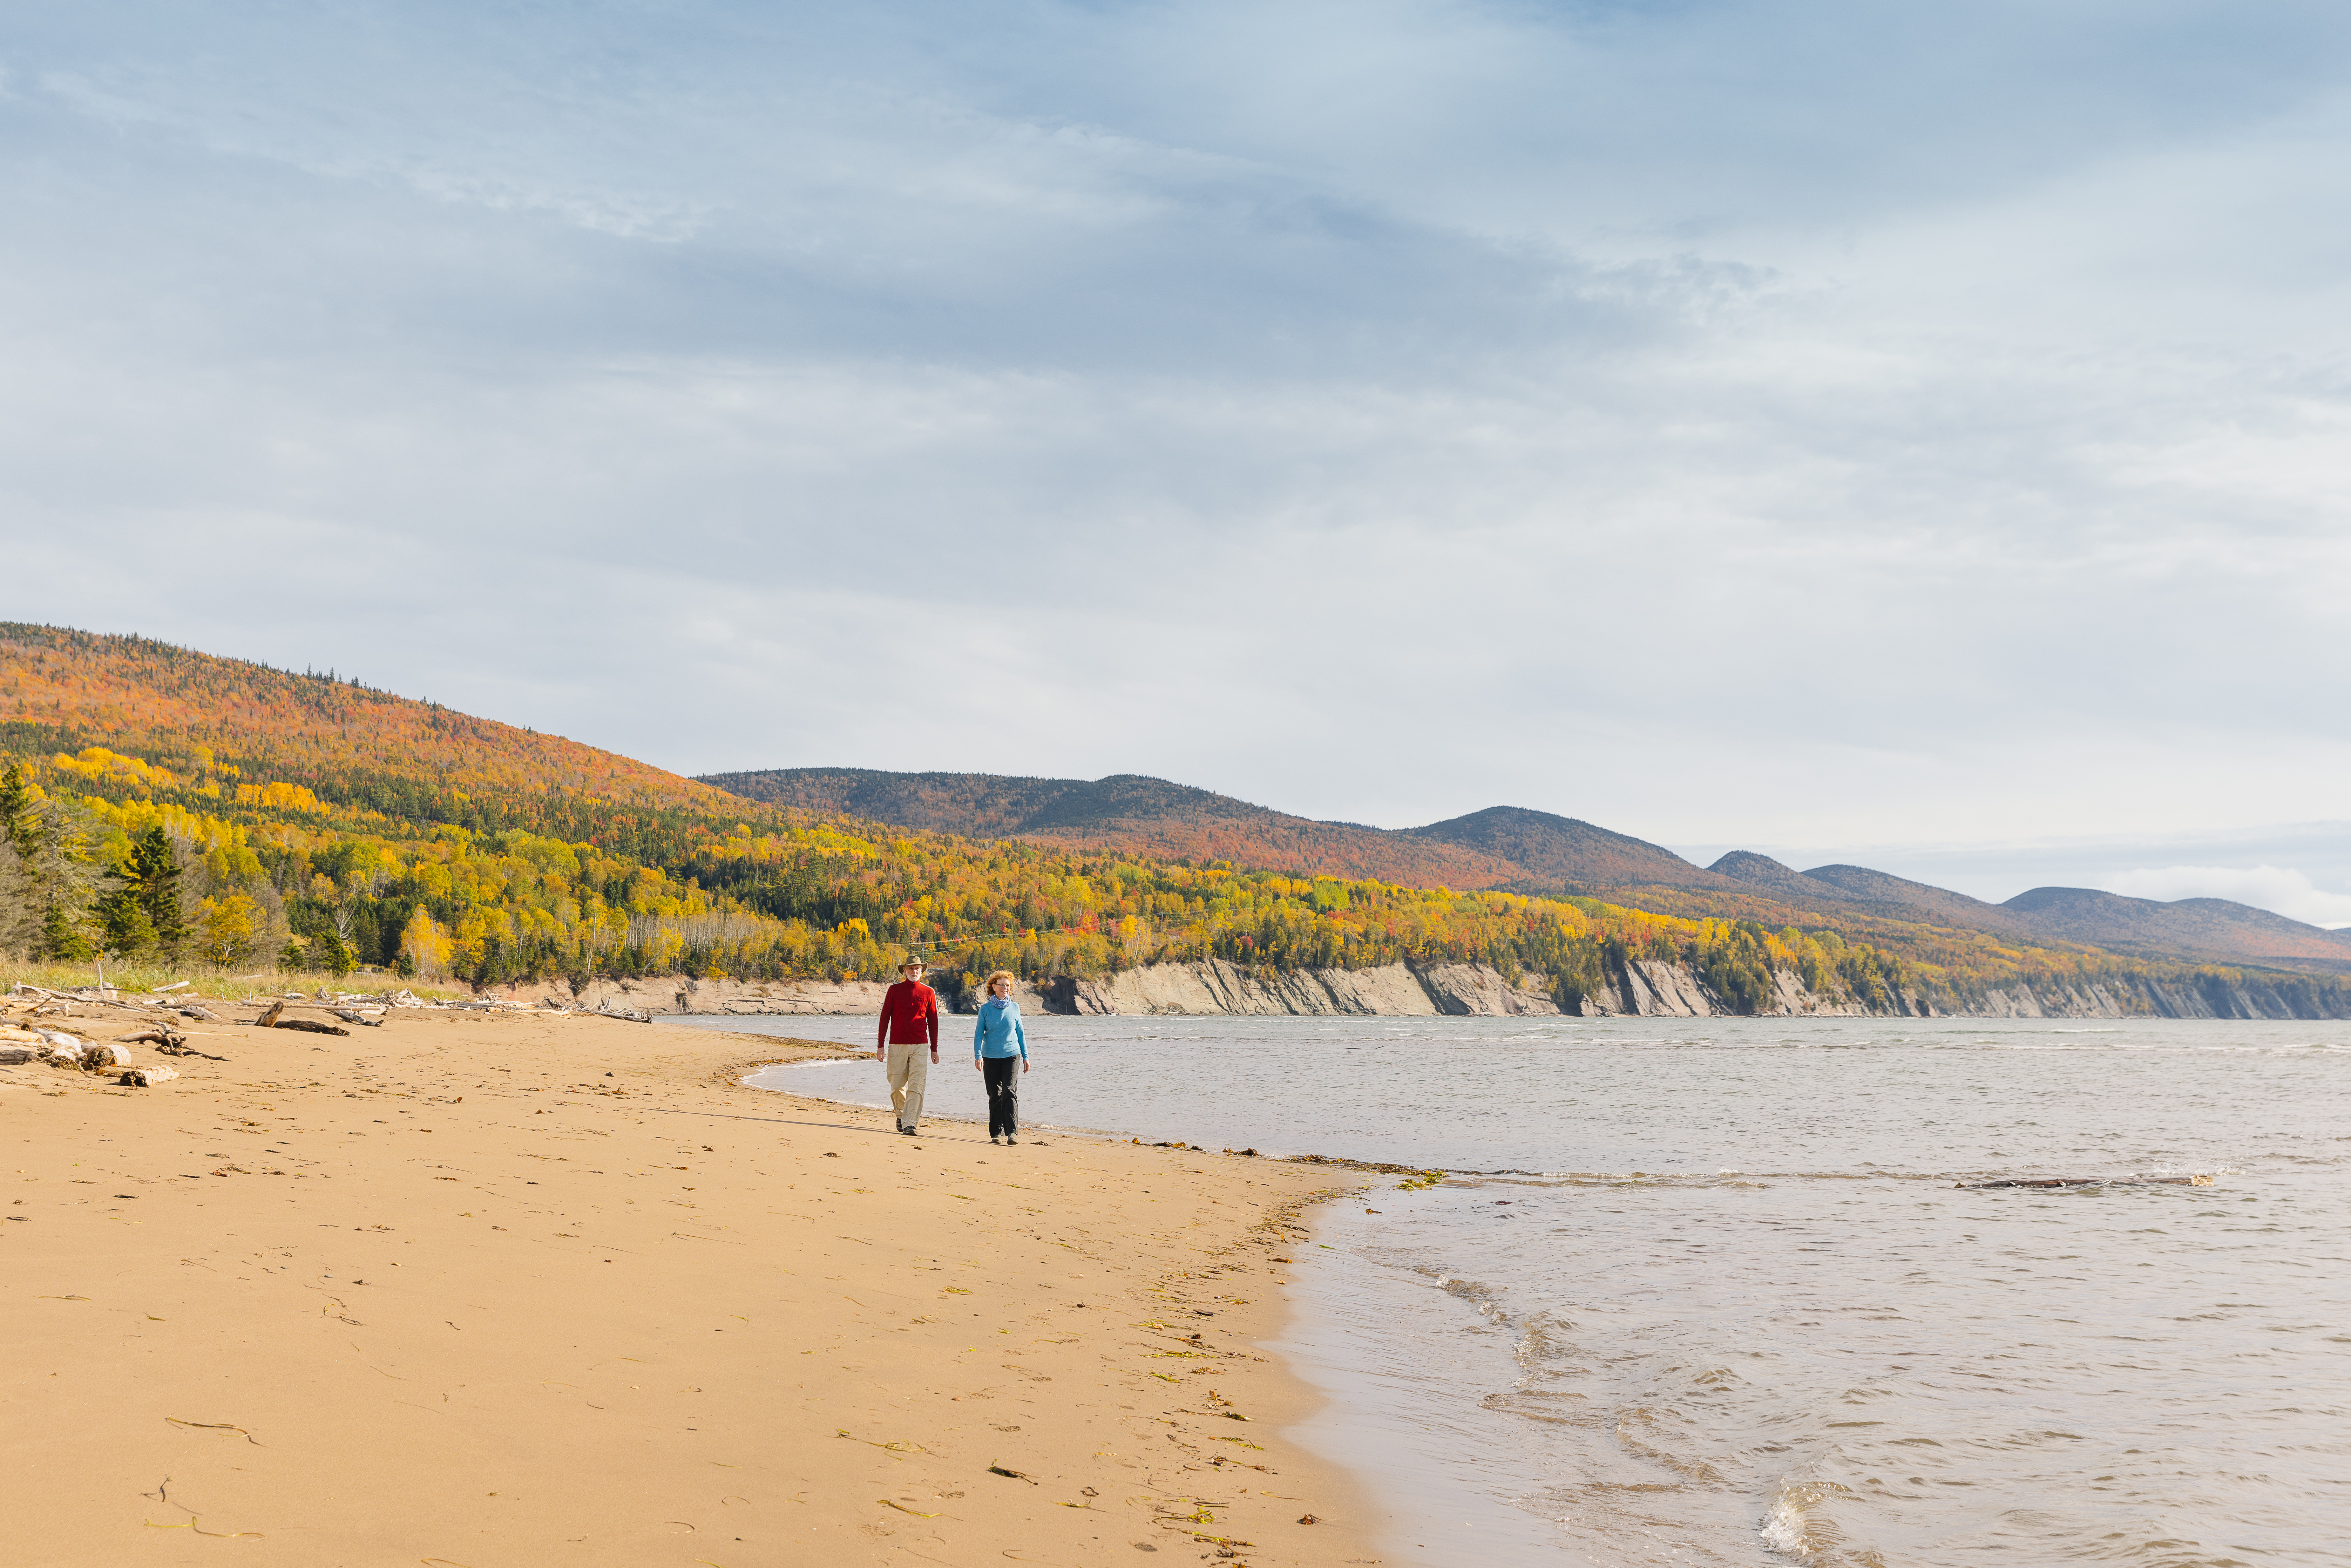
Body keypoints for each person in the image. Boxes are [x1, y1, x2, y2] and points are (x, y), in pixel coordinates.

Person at [875, 955, 940, 1136]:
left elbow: (933, 1022)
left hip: (920, 1046)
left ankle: (911, 1123)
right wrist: (880, 1045)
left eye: (917, 968)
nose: (914, 972)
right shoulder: (894, 990)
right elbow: (884, 1018)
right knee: (897, 1086)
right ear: (905, 971)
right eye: (910, 969)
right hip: (896, 1045)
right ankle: (901, 1115)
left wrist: (934, 1049)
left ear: (922, 971)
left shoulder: (929, 992)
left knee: (917, 1086)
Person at [971, 969, 1030, 1145]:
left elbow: (1020, 1032)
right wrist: (978, 1055)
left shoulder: (1015, 1007)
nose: (1006, 988)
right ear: (994, 987)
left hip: (1012, 1055)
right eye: (1002, 985)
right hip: (990, 1056)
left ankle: (1013, 1133)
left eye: (1008, 985)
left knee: (1009, 1091)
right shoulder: (986, 1009)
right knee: (994, 1095)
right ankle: (997, 1133)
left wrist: (1026, 1056)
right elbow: (978, 1034)